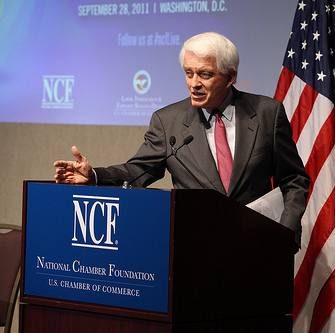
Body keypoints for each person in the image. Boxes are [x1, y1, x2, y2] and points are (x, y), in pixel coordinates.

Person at [54, 32, 310, 248]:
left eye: (205, 74)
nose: (194, 84)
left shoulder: (267, 113)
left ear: (231, 77)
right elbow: (137, 171)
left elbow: (294, 179)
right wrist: (94, 176)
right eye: (189, 73)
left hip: (259, 245)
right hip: (195, 248)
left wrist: (285, 232)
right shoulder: (168, 121)